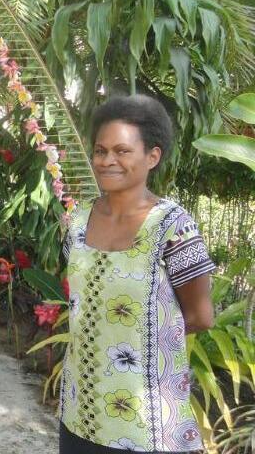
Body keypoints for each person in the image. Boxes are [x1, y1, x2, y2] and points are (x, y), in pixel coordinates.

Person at [59, 95, 215, 453]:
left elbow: (200, 316)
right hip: (80, 412)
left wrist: (137, 334)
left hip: (149, 426)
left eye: (122, 151)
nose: (107, 160)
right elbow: (81, 299)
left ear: (152, 156)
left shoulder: (174, 227)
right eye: (100, 151)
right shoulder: (78, 221)